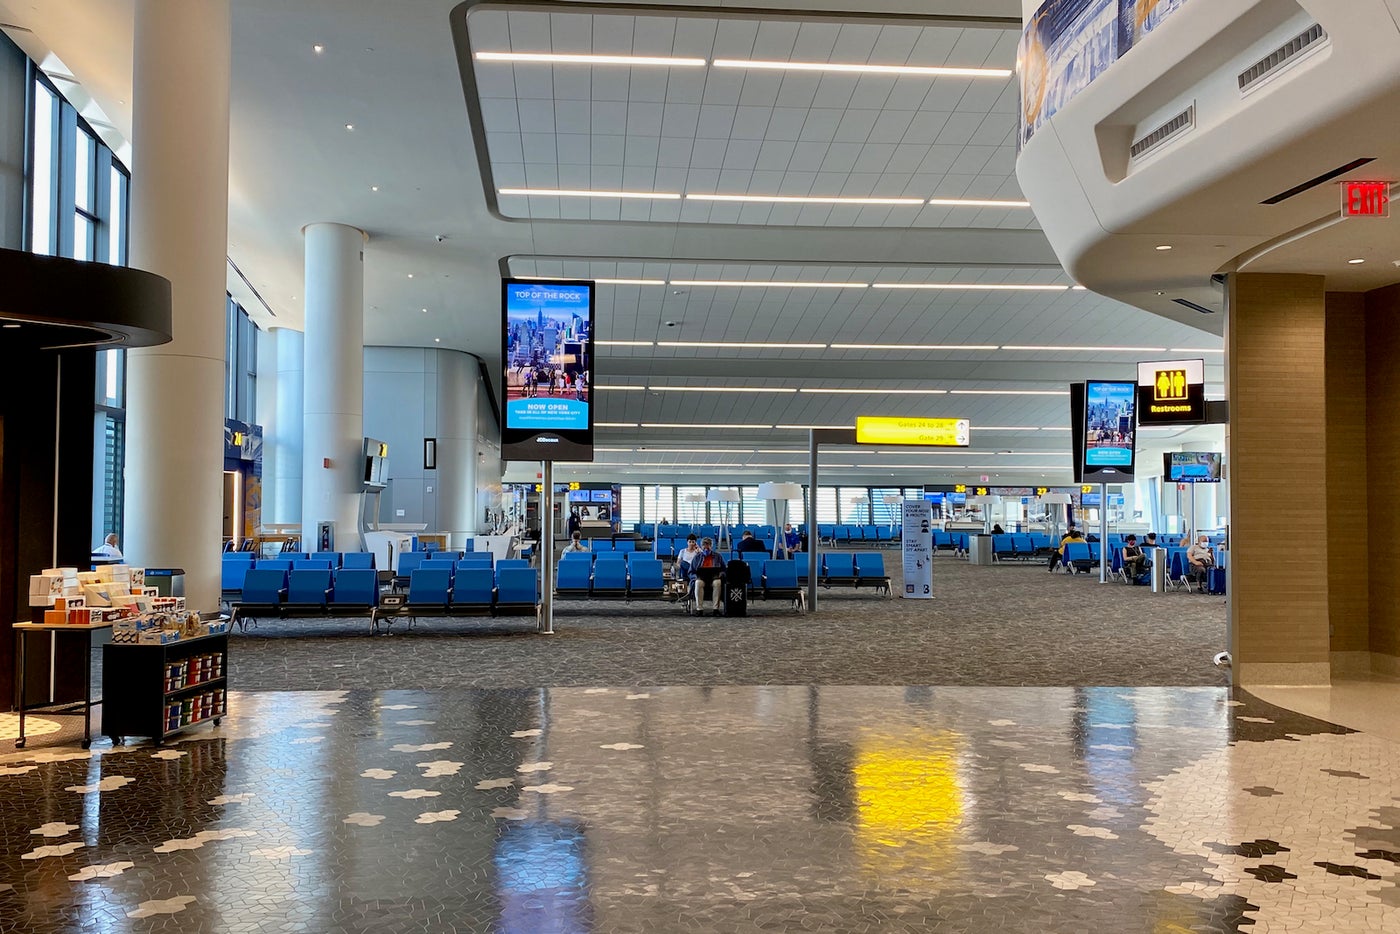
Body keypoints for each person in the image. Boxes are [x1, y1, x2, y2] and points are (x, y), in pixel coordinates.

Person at [689, 538, 725, 615]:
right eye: (704, 546)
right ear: (701, 547)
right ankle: (699, 609)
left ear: (711, 546)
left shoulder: (718, 556)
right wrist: (695, 577)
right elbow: (691, 572)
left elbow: (723, 570)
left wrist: (720, 574)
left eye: (708, 545)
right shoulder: (697, 557)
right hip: (701, 578)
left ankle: (716, 609)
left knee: (718, 583)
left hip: (714, 578)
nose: (706, 548)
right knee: (698, 583)